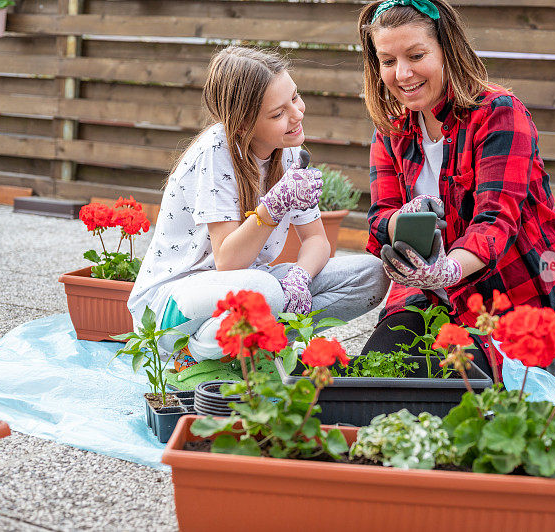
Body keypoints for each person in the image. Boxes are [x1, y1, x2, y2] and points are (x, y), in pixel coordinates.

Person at [357, 0, 555, 379]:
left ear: (448, 49)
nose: (402, 73)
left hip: (517, 293)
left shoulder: (498, 114)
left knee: (458, 388)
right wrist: (402, 220)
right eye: (387, 60)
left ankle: (539, 361)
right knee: (376, 375)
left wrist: (448, 269)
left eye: (416, 55)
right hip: (427, 294)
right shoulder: (391, 132)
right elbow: (379, 218)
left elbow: (495, 223)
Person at [128, 46, 388, 380]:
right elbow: (228, 261)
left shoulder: (290, 153)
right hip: (171, 307)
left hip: (249, 290)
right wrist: (273, 206)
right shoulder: (216, 150)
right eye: (278, 113)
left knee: (371, 274)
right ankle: (192, 353)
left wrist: (301, 277)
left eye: (295, 98)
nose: (296, 114)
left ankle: (257, 344)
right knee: (264, 291)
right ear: (243, 125)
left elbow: (317, 242)